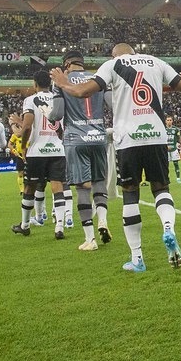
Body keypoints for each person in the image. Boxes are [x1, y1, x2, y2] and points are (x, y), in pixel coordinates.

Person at [51, 43, 181, 272]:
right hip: (156, 136)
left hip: (128, 140)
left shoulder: (112, 65)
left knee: (131, 194)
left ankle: (137, 259)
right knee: (161, 189)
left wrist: (63, 83)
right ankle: (168, 227)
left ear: (114, 54)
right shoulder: (156, 62)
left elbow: (82, 92)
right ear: (135, 53)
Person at [49, 51, 112, 250]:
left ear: (67, 63)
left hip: (76, 138)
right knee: (99, 181)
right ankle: (102, 219)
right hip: (98, 137)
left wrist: (49, 115)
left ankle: (90, 238)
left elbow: (58, 113)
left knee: (83, 187)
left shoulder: (62, 80)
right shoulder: (99, 78)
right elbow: (112, 104)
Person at [11, 70, 68, 239]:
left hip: (37, 152)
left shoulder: (30, 100)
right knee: (58, 187)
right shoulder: (60, 99)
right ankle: (59, 227)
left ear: (35, 84)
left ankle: (25, 225)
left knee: (30, 187)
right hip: (58, 149)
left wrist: (22, 147)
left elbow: (27, 126)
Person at [165, 116, 181, 184]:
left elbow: (179, 137)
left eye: (170, 120)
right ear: (165, 121)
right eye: (168, 120)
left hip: (174, 149)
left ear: (172, 121)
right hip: (166, 150)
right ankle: (166, 178)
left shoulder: (176, 129)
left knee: (176, 163)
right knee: (165, 165)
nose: (169, 121)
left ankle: (178, 178)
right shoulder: (163, 129)